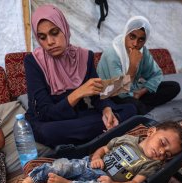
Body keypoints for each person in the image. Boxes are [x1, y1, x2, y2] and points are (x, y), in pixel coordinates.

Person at [24, 5, 136, 148]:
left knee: (130, 109)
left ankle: (108, 125)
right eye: (42, 37)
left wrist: (106, 109)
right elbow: (45, 113)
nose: (50, 42)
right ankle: (107, 130)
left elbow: (98, 95)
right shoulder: (33, 62)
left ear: (64, 28)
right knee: (47, 132)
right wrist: (78, 93)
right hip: (48, 121)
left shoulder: (84, 56)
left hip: (76, 117)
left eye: (54, 32)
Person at [7, 121, 182, 183]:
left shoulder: (152, 165)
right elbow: (104, 147)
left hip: (105, 182)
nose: (161, 152)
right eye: (163, 143)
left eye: (167, 154)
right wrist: (96, 157)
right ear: (151, 132)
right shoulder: (129, 139)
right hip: (89, 165)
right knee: (62, 164)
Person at [97, 16, 180, 115]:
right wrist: (133, 65)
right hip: (111, 93)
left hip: (134, 90)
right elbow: (119, 90)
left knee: (173, 87)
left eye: (141, 40)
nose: (135, 44)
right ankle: (135, 107)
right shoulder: (112, 54)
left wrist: (141, 92)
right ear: (126, 34)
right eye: (132, 37)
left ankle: (135, 106)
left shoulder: (142, 52)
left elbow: (156, 74)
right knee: (135, 106)